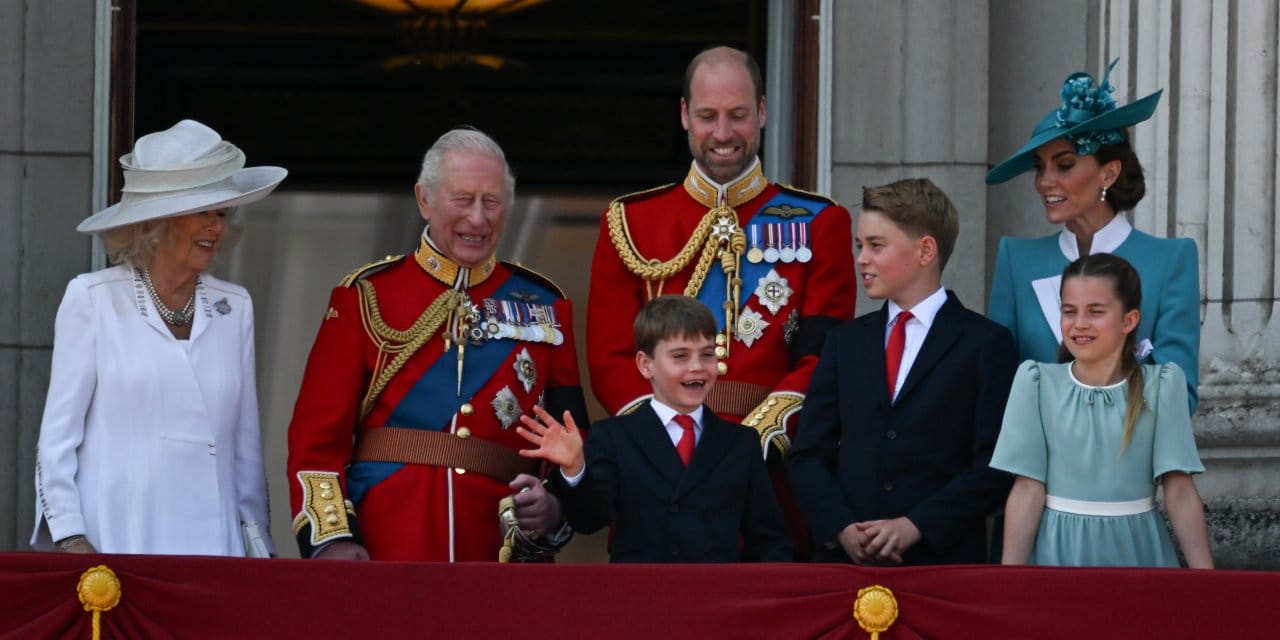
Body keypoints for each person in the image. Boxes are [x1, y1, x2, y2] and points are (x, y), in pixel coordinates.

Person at [586, 45, 856, 553]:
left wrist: (755, 442)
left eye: (738, 115)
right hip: (659, 475)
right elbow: (610, 357)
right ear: (685, 115)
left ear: (763, 112)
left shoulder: (820, 222)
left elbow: (824, 357)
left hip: (771, 472)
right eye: (708, 116)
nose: (724, 133)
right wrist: (663, 439)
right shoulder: (631, 222)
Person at [286, 127, 588, 562]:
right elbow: (317, 439)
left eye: (492, 202)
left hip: (497, 552)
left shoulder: (545, 306)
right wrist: (332, 539)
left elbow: (570, 439)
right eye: (463, 200)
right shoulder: (366, 297)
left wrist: (554, 506)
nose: (478, 219)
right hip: (385, 542)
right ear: (424, 199)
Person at [31, 119, 284, 556]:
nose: (216, 227)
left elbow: (245, 449)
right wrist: (71, 537)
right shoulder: (93, 299)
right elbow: (57, 440)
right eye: (203, 212)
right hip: (118, 541)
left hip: (215, 550)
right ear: (157, 222)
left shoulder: (234, 307)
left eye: (221, 213)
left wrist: (258, 547)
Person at [788, 178, 1018, 565]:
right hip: (847, 565)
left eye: (876, 246)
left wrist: (916, 526)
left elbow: (994, 466)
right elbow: (808, 455)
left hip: (942, 564)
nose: (862, 259)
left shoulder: (986, 343)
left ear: (926, 250)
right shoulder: (844, 343)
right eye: (860, 246)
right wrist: (842, 528)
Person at [985, 60, 1200, 410]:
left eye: (1064, 164)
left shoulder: (1170, 260)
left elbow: (1180, 396)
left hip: (1130, 445)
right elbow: (996, 387)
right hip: (1036, 447)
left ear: (1108, 173)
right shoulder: (1016, 259)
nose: (1044, 181)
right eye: (1039, 167)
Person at [517, 295, 791, 562]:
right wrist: (575, 468)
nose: (697, 367)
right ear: (645, 365)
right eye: (680, 356)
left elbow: (767, 539)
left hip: (716, 590)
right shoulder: (613, 436)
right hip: (640, 589)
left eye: (707, 354)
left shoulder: (741, 441)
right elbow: (590, 519)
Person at [992, 254, 1213, 568]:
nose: (1080, 323)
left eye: (1095, 312)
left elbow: (1178, 489)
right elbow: (1027, 489)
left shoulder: (1162, 385)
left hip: (1138, 552)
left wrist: (1205, 577)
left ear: (1129, 321)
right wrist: (1010, 577)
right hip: (1058, 553)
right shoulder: (1037, 383)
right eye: (1069, 311)